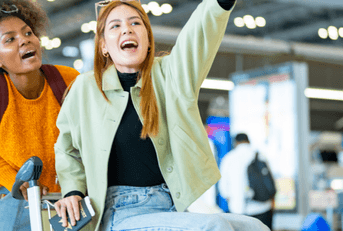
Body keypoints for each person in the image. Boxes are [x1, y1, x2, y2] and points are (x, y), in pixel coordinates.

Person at [54, 0, 269, 230]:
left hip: (171, 203)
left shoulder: (169, 75)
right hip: (120, 211)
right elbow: (67, 148)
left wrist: (219, 4)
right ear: (103, 46)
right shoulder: (86, 88)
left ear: (147, 40)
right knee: (214, 227)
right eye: (115, 26)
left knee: (255, 227)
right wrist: (73, 190)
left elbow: (197, 36)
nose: (127, 29)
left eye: (135, 22)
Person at [0, 0, 79, 229]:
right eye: (10, 39)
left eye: (28, 33)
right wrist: (16, 182)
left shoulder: (68, 79)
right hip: (17, 200)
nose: (24, 39)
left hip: (71, 197)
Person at [219, 133, 274, 230]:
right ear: (248, 141)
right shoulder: (260, 156)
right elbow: (270, 182)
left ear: (236, 143)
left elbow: (223, 189)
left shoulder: (229, 158)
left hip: (238, 211)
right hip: (262, 208)